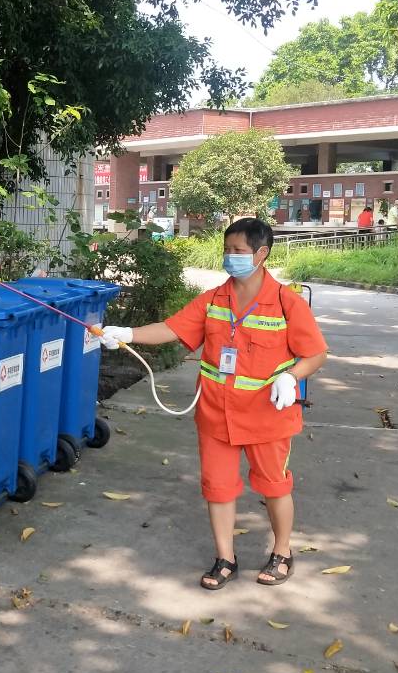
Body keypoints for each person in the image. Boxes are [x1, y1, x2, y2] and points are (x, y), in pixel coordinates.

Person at [98, 218, 327, 590]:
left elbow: (316, 354)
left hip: (267, 417)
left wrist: (291, 377)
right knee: (217, 487)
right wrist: (127, 334)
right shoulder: (214, 300)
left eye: (238, 251)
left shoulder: (287, 303)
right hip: (216, 414)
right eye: (226, 250)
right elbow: (173, 328)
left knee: (274, 486)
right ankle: (225, 558)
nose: (229, 257)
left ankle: (282, 552)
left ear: (261, 254)